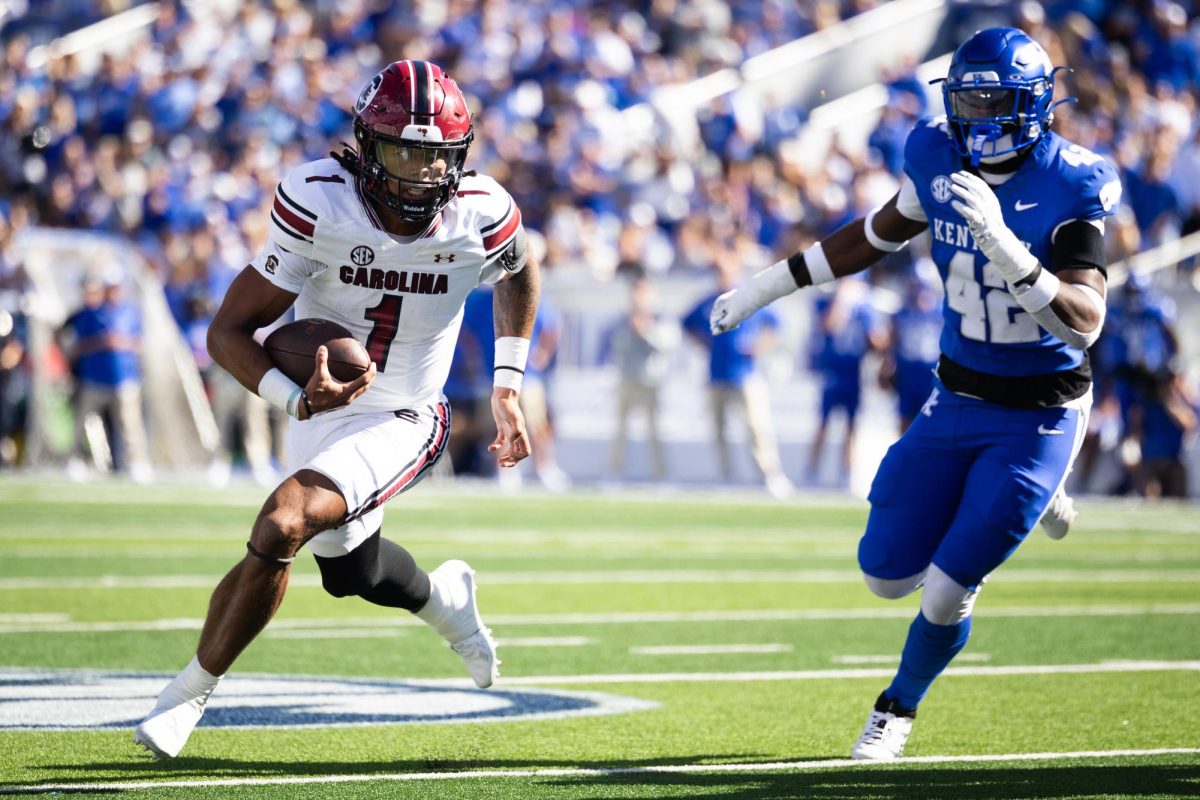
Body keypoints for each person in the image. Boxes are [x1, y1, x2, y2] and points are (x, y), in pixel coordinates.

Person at [710, 28, 1120, 759]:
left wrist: (1009, 249)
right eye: (967, 98)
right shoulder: (935, 153)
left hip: (1041, 410)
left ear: (1032, 106)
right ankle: (1039, 495)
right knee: (883, 576)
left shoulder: (1074, 180)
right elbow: (875, 234)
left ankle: (896, 708)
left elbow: (1087, 322)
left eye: (994, 99)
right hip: (957, 394)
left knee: (945, 589)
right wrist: (765, 287)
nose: (978, 114)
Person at [134, 60, 539, 758]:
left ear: (458, 158)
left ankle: (187, 696)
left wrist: (509, 381)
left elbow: (522, 270)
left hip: (408, 412)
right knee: (353, 574)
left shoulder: (482, 212)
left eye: (434, 156)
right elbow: (227, 332)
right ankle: (447, 604)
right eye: (402, 151)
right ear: (364, 145)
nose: (418, 172)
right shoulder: (319, 201)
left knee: (283, 519)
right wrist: (294, 396)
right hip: (323, 405)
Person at [685, 261, 793, 498]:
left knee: (757, 427)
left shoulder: (748, 296)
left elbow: (776, 324)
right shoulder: (709, 302)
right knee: (718, 428)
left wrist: (760, 345)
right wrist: (705, 343)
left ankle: (770, 475)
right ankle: (724, 474)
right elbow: (687, 323)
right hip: (717, 373)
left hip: (746, 373)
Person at [59, 269, 152, 482]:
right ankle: (77, 461)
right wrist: (102, 342)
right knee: (82, 422)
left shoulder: (130, 311)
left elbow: (139, 344)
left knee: (130, 425)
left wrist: (120, 341)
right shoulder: (91, 312)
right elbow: (77, 345)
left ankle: (138, 463)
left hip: (125, 378)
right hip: (94, 378)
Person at [807, 277, 886, 486]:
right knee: (823, 422)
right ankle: (811, 471)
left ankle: (846, 472)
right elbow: (829, 326)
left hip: (854, 373)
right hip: (833, 371)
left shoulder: (865, 308)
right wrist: (841, 300)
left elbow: (877, 341)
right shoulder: (828, 301)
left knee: (851, 425)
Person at [609, 276, 676, 480]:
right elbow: (617, 346)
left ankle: (661, 474)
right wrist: (633, 329)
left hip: (652, 382)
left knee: (655, 431)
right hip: (628, 380)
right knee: (620, 431)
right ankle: (614, 473)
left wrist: (646, 330)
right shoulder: (623, 319)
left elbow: (666, 344)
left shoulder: (661, 317)